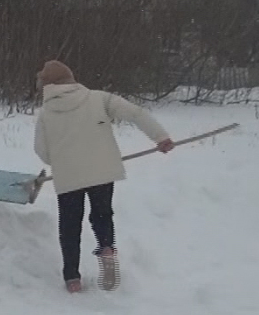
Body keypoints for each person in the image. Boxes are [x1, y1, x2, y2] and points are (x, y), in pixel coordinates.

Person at [32, 60, 174, 293]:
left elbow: (42, 150)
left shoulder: (46, 113)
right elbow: (135, 113)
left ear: (47, 86)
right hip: (101, 170)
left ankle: (72, 279)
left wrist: (60, 159)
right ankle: (107, 248)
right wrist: (160, 137)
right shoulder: (98, 98)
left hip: (68, 175)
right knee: (101, 213)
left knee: (69, 225)